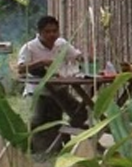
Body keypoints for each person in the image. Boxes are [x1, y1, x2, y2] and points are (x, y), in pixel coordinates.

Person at [17, 16, 86, 152]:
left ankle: (64, 137)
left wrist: (86, 57)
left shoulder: (61, 44)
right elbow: (20, 69)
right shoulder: (29, 47)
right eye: (47, 32)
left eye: (54, 31)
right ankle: (39, 149)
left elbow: (76, 55)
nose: (51, 35)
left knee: (80, 112)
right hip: (38, 91)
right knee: (39, 121)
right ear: (40, 32)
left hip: (59, 89)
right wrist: (41, 62)